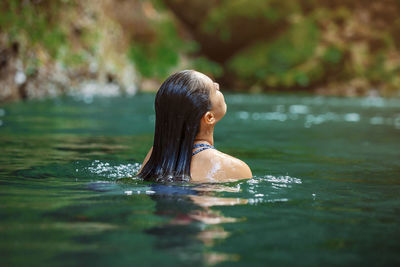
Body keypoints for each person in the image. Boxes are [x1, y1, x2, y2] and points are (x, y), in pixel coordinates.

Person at [138, 70, 252, 183]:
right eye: (213, 89)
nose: (217, 85)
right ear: (209, 118)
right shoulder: (234, 168)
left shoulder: (156, 157)